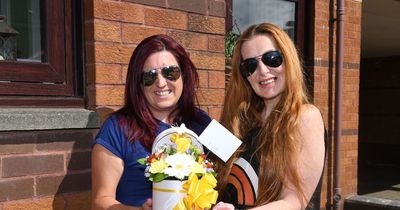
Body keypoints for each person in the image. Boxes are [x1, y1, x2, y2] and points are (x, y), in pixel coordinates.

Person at [91, 34, 211, 210]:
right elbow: (100, 201)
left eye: (171, 72)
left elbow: (237, 161)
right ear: (138, 83)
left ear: (183, 75)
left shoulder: (202, 121)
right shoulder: (117, 128)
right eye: (150, 76)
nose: (161, 83)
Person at [214, 23, 325, 210]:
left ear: (288, 59)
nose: (263, 71)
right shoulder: (240, 122)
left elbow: (295, 201)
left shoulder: (305, 117)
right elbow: (211, 176)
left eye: (272, 59)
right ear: (244, 75)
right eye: (251, 65)